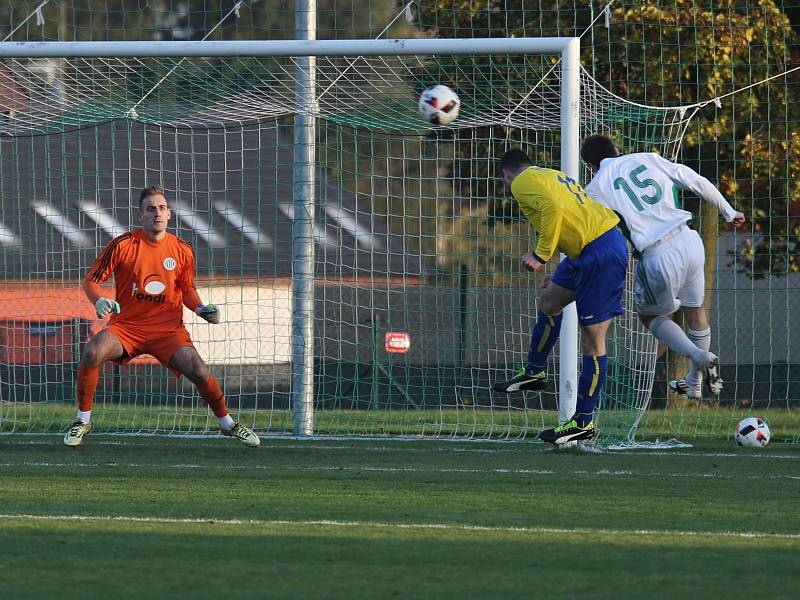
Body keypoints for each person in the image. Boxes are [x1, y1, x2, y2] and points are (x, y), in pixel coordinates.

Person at [63, 186, 260, 448]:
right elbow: (91, 281)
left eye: (162, 208)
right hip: (127, 328)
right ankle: (82, 420)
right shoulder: (123, 245)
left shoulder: (182, 250)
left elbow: (187, 290)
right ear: (140, 216)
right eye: (151, 209)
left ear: (169, 214)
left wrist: (201, 309)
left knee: (200, 371)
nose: (158, 213)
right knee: (92, 352)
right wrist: (99, 300)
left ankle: (228, 424)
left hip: (167, 330)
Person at [580, 134, 746, 399]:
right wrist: (728, 211)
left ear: (591, 166)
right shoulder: (648, 158)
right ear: (617, 149)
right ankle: (693, 382)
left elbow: (591, 234)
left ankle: (699, 355)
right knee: (696, 311)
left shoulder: (595, 188)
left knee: (650, 316)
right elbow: (695, 180)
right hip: (689, 239)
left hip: (657, 253)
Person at [492, 149, 629, 445]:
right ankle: (533, 372)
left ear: (506, 174)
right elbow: (569, 215)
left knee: (592, 341)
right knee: (550, 302)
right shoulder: (549, 174)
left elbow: (553, 209)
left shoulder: (520, 182)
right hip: (583, 251)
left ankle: (582, 422)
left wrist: (541, 255)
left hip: (601, 253)